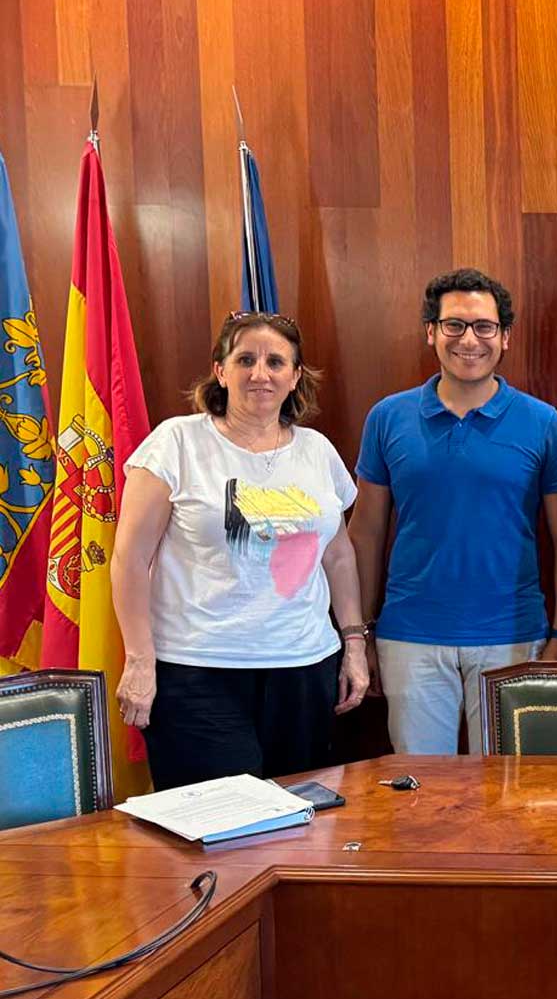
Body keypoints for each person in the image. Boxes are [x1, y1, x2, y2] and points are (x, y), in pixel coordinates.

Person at [111, 312, 368, 790]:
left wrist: (354, 643)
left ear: (295, 377)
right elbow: (129, 559)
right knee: (218, 830)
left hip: (305, 671)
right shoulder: (176, 443)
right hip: (198, 674)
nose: (260, 373)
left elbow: (338, 556)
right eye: (245, 359)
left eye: (276, 361)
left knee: (298, 823)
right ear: (220, 371)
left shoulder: (316, 450)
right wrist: (140, 660)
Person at [348, 269, 557, 756]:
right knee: (423, 799)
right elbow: (365, 533)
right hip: (410, 637)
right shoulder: (388, 417)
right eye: (453, 325)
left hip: (514, 638)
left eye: (484, 326)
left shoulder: (543, 422)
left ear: (505, 337)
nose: (469, 339)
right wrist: (360, 632)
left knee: (506, 799)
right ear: (430, 332)